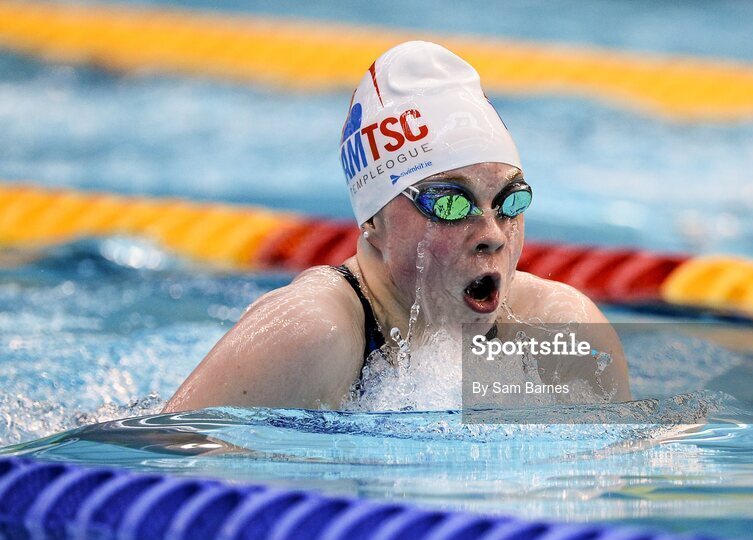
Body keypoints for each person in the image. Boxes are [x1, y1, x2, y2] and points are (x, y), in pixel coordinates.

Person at [163, 41, 630, 412]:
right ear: (372, 219)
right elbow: (153, 474)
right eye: (450, 203)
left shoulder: (559, 332)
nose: (493, 232)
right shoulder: (312, 334)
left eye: (510, 200)